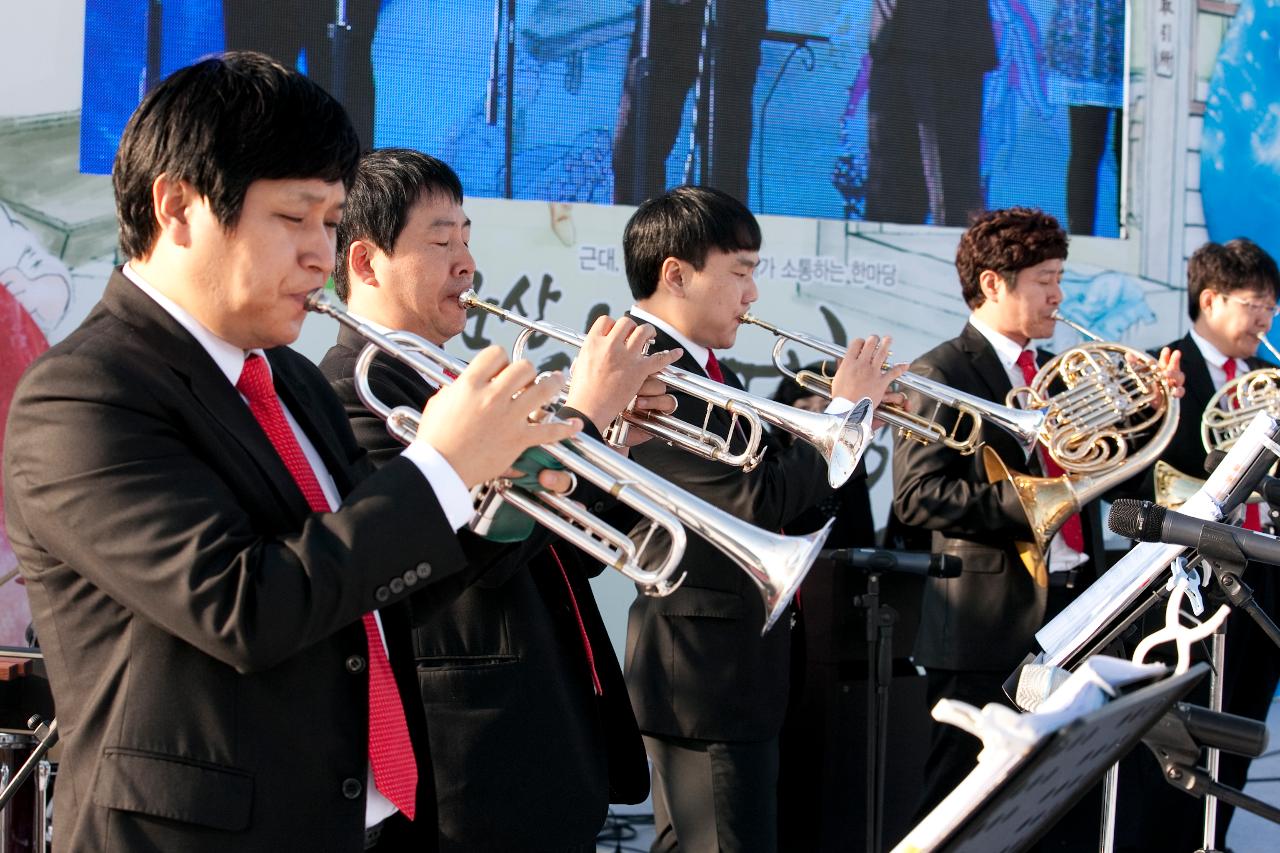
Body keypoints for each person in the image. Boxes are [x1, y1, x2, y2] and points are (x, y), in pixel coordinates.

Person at [1, 52, 581, 852]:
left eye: (332, 222)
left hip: (363, 820)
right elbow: (242, 607)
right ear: (177, 207)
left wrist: (495, 492)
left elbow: (372, 584)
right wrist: (442, 468)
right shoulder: (82, 395)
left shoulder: (295, 382)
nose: (321, 254)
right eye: (293, 217)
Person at [318, 147, 681, 851]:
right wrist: (580, 415)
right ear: (365, 263)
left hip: (552, 739)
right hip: (473, 767)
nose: (467, 263)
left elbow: (571, 553)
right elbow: (466, 556)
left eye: (467, 237)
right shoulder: (351, 390)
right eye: (441, 240)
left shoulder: (460, 384)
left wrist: (612, 443)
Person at [619, 184, 905, 852]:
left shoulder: (704, 368)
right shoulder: (650, 367)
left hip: (729, 670)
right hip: (704, 673)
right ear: (676, 273)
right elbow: (756, 499)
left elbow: (787, 491)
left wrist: (849, 429)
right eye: (741, 272)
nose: (752, 295)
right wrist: (839, 418)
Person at [890, 206, 1183, 840]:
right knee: (962, 806)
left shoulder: (1057, 371)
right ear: (993, 283)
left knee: (1064, 802)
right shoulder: (943, 370)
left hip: (1078, 609)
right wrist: (1040, 497)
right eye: (1044, 278)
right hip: (985, 625)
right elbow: (917, 496)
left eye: (1059, 277)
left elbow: (1111, 476)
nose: (1058, 294)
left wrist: (1152, 414)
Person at [1116, 237, 1280, 853]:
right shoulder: (1162, 369)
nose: (1265, 320)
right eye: (1254, 304)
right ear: (1209, 301)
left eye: (1271, 307)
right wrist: (1160, 413)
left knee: (1240, 727)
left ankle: (1212, 841)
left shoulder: (1269, 381)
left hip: (1263, 581)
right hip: (1186, 586)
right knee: (1180, 736)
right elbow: (1133, 481)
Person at [611, 0, 767, 206]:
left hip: (734, 18)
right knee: (639, 144)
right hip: (665, 16)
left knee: (724, 149)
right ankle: (637, 228)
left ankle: (722, 229)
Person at [865, 0, 996, 226]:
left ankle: (959, 255)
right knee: (889, 179)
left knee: (951, 179)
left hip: (949, 45)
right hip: (891, 40)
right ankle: (886, 256)